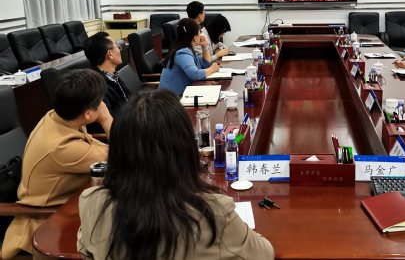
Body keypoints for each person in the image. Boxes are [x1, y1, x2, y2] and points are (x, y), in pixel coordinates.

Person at [77, 89, 275, 260]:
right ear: (185, 148)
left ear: (118, 151)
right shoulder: (214, 211)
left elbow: (85, 250)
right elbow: (264, 254)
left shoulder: (90, 202)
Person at [2, 70, 111, 258]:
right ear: (87, 114)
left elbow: (96, 147)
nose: (102, 105)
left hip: (67, 202)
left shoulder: (56, 116)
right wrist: (106, 119)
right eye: (100, 102)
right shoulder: (62, 147)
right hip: (45, 222)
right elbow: (126, 153)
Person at [159, 18, 220, 95]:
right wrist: (212, 69)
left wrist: (204, 46)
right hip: (169, 99)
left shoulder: (187, 49)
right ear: (195, 37)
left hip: (177, 95)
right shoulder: (182, 53)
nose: (201, 35)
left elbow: (206, 63)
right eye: (200, 32)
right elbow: (195, 74)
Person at [83, 31, 130, 116]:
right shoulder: (97, 88)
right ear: (110, 54)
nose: (120, 49)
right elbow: (112, 119)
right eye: (117, 46)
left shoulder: (112, 75)